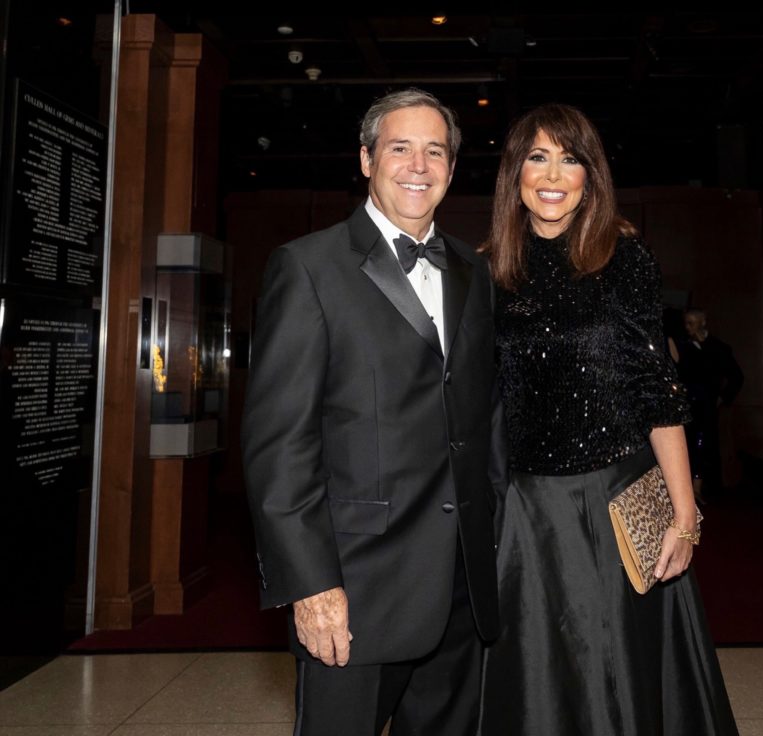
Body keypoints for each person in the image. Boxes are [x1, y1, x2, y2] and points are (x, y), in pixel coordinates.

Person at [241, 88, 504, 736]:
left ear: (451, 167)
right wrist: (310, 584)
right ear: (366, 159)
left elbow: (485, 421)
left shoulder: (475, 272)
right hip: (355, 590)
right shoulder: (307, 267)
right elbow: (279, 443)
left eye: (435, 151)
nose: (419, 165)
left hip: (463, 590)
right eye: (400, 148)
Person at [480, 104, 737, 736]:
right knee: (536, 674)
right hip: (525, 509)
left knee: (616, 668)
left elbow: (658, 390)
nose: (553, 174)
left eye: (571, 159)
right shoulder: (488, 270)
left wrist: (684, 514)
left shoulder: (625, 260)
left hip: (612, 498)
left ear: (591, 177)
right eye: (537, 157)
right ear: (515, 173)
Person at [676, 307, 744, 498]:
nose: (687, 327)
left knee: (704, 445)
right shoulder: (682, 346)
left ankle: (702, 489)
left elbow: (737, 376)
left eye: (691, 322)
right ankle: (690, 491)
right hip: (687, 407)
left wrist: (722, 398)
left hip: (707, 407)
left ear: (701, 322)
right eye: (686, 323)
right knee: (689, 446)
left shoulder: (719, 348)